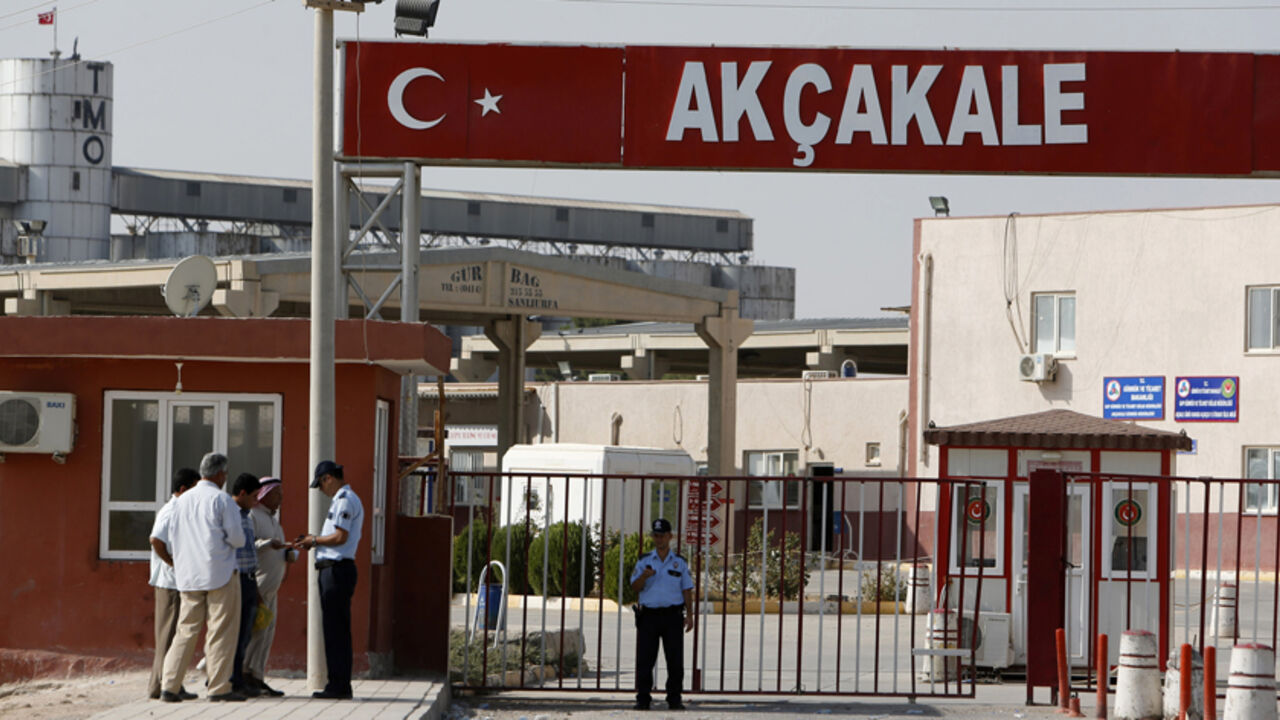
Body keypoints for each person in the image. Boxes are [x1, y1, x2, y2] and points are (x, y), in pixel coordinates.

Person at [158, 452, 246, 702]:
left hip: (188, 575)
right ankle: (219, 687)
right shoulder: (222, 500)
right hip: (220, 573)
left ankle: (169, 685)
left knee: (185, 631)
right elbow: (237, 539)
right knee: (221, 631)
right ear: (220, 474)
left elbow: (172, 537)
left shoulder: (181, 501)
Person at [296, 460, 364, 700]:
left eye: (321, 485)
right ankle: (338, 682)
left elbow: (339, 537)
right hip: (333, 570)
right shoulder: (342, 499)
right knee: (335, 629)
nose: (322, 491)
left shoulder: (345, 499)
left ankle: (339, 685)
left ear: (328, 478)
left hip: (337, 570)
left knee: (336, 630)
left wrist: (314, 540)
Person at [629, 518, 695, 711]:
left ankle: (674, 698)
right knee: (645, 660)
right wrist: (643, 576)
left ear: (670, 537)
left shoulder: (679, 563)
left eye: (662, 535)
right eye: (655, 535)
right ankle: (643, 698)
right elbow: (634, 586)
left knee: (675, 660)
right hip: (648, 616)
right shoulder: (644, 561)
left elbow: (687, 589)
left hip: (672, 616)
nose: (659, 539)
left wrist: (689, 615)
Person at [146, 467, 199, 701]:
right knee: (168, 636)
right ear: (183, 489)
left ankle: (171, 681)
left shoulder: (182, 509)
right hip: (170, 583)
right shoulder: (171, 510)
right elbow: (156, 540)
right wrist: (173, 564)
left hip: (178, 582)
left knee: (176, 634)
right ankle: (161, 685)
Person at [244, 477, 293, 697]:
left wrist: (289, 552)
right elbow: (247, 545)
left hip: (273, 586)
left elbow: (279, 549)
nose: (281, 498)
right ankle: (239, 673)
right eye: (277, 494)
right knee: (252, 630)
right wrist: (266, 544)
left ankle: (257, 675)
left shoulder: (274, 521)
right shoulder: (253, 515)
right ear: (264, 494)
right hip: (259, 583)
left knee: (266, 633)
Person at [228, 473, 262, 698]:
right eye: (253, 496)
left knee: (245, 634)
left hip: (249, 579)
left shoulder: (247, 517)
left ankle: (238, 678)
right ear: (241, 494)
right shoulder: (229, 515)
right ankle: (228, 679)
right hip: (234, 580)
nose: (256, 501)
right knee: (233, 634)